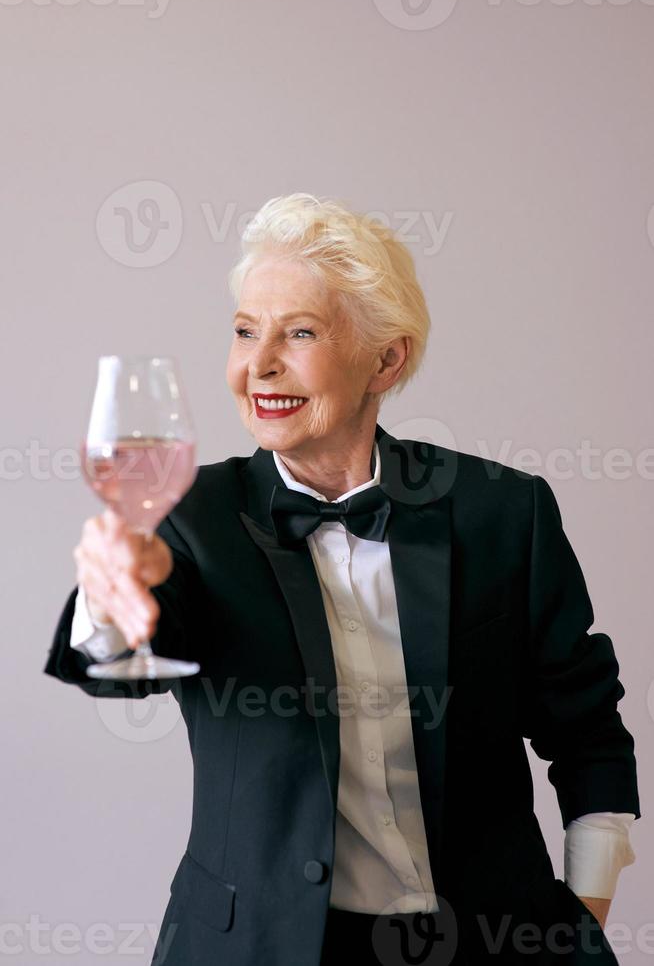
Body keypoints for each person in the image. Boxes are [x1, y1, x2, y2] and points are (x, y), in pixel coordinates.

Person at [45, 193, 640, 965]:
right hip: (260, 946)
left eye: (299, 332)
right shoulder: (191, 515)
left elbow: (587, 726)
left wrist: (583, 914)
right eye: (244, 331)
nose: (257, 366)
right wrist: (111, 594)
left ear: (385, 359)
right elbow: (115, 671)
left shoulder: (505, 511)